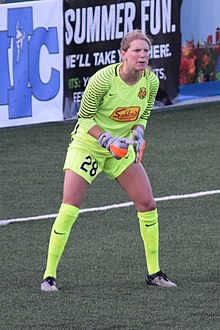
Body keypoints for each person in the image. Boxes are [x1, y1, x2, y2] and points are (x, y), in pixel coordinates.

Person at [41, 29, 177, 291]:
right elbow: (85, 117)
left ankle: (154, 273)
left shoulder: (150, 82)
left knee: (147, 203)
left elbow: (144, 113)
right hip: (89, 146)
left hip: (122, 150)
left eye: (146, 51)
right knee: (70, 206)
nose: (143, 55)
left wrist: (138, 133)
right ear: (122, 54)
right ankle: (49, 276)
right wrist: (106, 140)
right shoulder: (103, 79)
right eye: (136, 51)